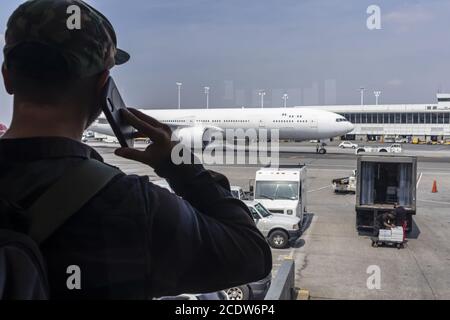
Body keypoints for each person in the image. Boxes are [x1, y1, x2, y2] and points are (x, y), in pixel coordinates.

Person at [0, 0, 271, 299]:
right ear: (104, 86)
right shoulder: (131, 205)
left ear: (7, 77)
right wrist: (180, 165)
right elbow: (252, 254)